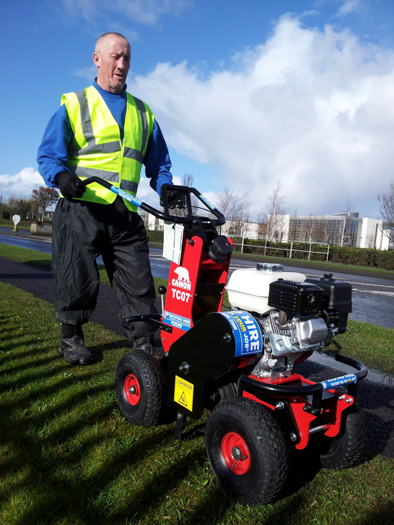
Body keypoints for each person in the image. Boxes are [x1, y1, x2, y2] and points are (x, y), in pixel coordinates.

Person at [37, 32, 174, 366]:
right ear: (97, 59)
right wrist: (62, 177)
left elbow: (160, 165)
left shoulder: (143, 113)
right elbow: (48, 156)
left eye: (127, 58)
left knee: (138, 279)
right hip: (81, 209)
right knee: (77, 277)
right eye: (115, 57)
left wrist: (165, 186)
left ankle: (144, 344)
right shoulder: (75, 103)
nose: (122, 65)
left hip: (125, 213)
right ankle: (70, 338)